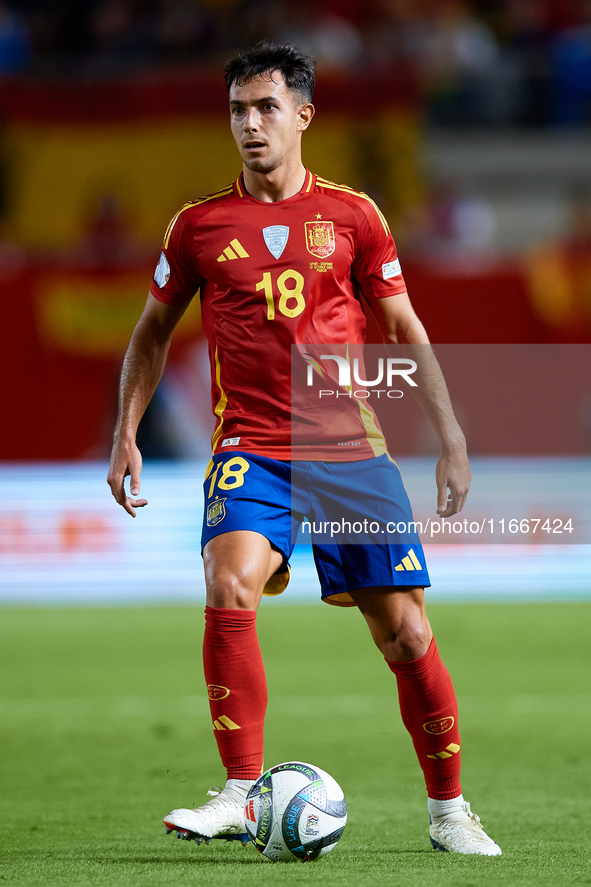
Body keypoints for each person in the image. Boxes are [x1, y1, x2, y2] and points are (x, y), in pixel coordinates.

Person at [107, 41, 501, 856]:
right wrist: (126, 434)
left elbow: (401, 328)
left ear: (302, 115)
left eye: (265, 109)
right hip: (251, 448)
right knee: (228, 580)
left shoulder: (354, 217)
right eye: (237, 111)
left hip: (350, 453)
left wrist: (451, 436)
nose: (249, 125)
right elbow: (150, 334)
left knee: (406, 636)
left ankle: (449, 811)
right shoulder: (198, 226)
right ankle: (241, 792)